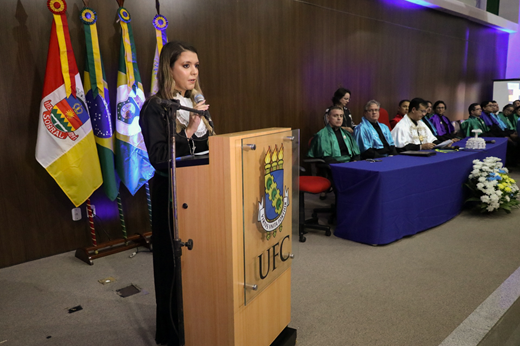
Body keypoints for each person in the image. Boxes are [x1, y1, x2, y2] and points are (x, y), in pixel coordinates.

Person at [139, 41, 214, 346]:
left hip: (200, 192)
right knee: (172, 264)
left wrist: (201, 125)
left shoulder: (191, 104)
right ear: (169, 69)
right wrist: (191, 126)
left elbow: (209, 148)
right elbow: (159, 156)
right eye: (186, 65)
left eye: (196, 65)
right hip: (170, 194)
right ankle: (172, 334)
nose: (194, 71)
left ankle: (201, 320)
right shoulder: (155, 107)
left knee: (200, 262)